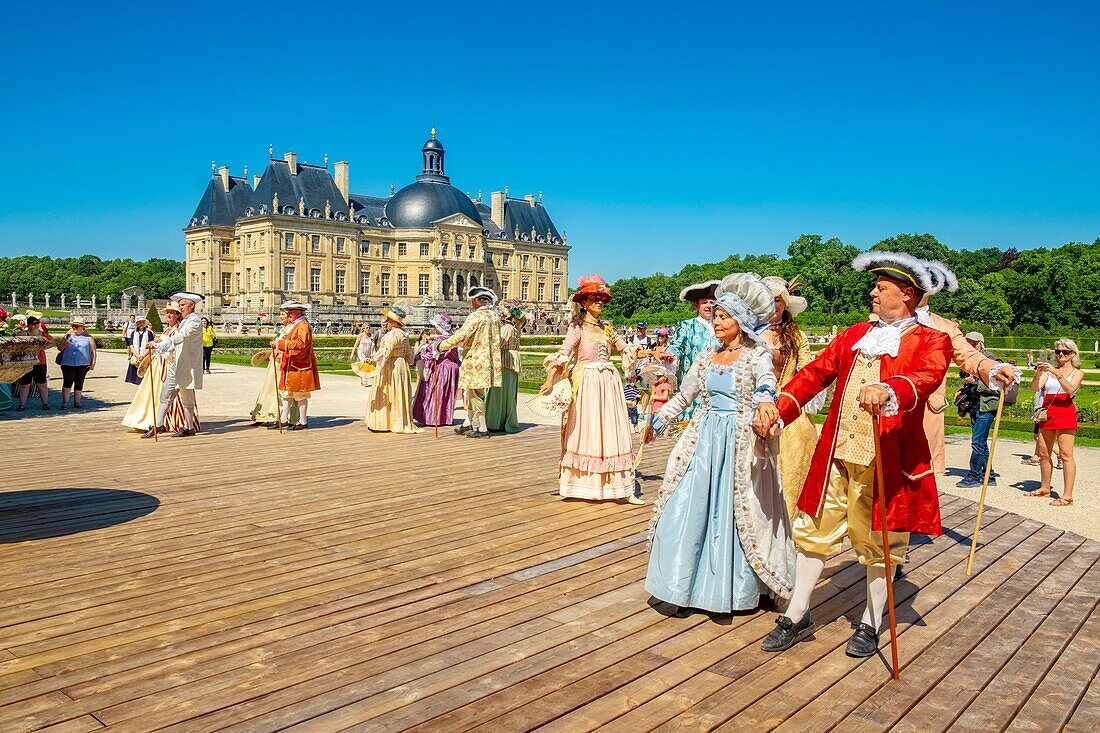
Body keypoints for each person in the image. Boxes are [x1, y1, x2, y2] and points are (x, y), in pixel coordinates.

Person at [758, 252, 952, 658]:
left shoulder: (932, 340)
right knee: (812, 534)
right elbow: (814, 374)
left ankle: (870, 621)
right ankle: (798, 614)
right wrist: (779, 407)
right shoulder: (853, 334)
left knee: (880, 542)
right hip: (836, 456)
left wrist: (892, 388)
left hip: (887, 461)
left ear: (909, 294)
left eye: (881, 288)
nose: (873, 292)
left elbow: (927, 375)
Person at [645, 272, 793, 616]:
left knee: (737, 510)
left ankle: (732, 590)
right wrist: (661, 419)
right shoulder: (708, 356)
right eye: (716, 317)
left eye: (723, 317)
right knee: (686, 506)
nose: (716, 323)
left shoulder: (756, 355)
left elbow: (766, 384)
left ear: (741, 322)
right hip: (705, 439)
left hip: (740, 442)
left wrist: (764, 400)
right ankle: (681, 586)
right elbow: (686, 395)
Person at [540, 274, 641, 503]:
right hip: (587, 383)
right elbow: (564, 353)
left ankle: (620, 487)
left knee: (612, 430)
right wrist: (550, 380)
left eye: (602, 299)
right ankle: (583, 486)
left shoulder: (608, 329)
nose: (599, 302)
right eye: (594, 298)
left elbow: (627, 350)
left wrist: (653, 354)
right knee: (588, 431)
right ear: (584, 302)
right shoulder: (577, 326)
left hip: (608, 385)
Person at [916, 261, 1019, 474]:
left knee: (922, 473)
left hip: (925, 408)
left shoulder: (944, 327)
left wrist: (992, 368)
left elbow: (969, 355)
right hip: (887, 409)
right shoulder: (881, 322)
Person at [761, 275, 818, 521]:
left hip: (789, 401)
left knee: (798, 446)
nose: (773, 306)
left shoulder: (797, 336)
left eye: (777, 301)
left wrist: (790, 399)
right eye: (768, 300)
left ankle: (789, 520)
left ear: (786, 303)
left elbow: (806, 371)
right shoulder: (749, 332)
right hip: (755, 405)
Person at [1024, 339, 1084, 506]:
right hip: (1048, 411)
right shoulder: (1049, 371)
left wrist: (1057, 374)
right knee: (1044, 453)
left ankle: (1067, 495)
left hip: (1065, 410)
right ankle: (1044, 487)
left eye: (1065, 352)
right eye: (1058, 352)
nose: (1061, 355)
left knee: (1066, 455)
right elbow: (1035, 388)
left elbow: (1071, 389)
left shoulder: (1077, 372)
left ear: (1073, 354)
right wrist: (1038, 373)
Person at [438, 286, 503, 439]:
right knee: (472, 392)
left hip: (475, 360)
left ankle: (482, 428)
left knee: (474, 393)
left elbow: (461, 336)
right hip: (489, 360)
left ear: (475, 301)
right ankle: (467, 422)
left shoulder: (475, 317)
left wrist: (441, 346)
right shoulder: (494, 317)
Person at [145, 291, 204, 438]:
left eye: (182, 305)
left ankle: (189, 427)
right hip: (177, 365)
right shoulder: (185, 321)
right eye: (180, 305)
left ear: (192, 305)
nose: (180, 307)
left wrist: (162, 345)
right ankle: (159, 425)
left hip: (187, 366)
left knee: (187, 399)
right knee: (165, 395)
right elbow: (177, 339)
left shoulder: (195, 321)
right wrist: (160, 345)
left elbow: (181, 336)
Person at [123, 303, 187, 432]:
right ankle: (152, 420)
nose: (168, 315)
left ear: (178, 315)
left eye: (172, 313)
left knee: (164, 394)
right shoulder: (167, 329)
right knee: (151, 393)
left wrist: (158, 345)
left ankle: (163, 421)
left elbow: (176, 347)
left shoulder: (178, 330)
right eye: (167, 313)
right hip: (158, 363)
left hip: (167, 364)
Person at [364, 302, 422, 433]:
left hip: (391, 366)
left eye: (389, 320)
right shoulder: (404, 335)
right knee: (397, 392)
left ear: (395, 322)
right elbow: (409, 355)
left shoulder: (393, 335)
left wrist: (373, 359)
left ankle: (384, 423)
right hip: (400, 365)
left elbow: (386, 350)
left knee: (388, 390)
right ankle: (396, 420)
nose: (387, 322)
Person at [954, 332, 1003, 488]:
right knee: (981, 443)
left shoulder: (992, 360)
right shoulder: (970, 361)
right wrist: (964, 389)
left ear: (981, 343)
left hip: (987, 405)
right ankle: (989, 475)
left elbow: (999, 387)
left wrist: (974, 382)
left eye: (974, 343)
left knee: (977, 442)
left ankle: (974, 476)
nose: (971, 346)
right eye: (968, 343)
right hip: (975, 404)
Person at [666, 280, 720, 419]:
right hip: (693, 386)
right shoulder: (687, 325)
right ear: (697, 305)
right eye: (704, 302)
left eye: (712, 302)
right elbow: (676, 346)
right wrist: (669, 355)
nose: (709, 306)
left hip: (717, 385)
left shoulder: (723, 326)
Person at [271, 302, 320, 431]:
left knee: (300, 394)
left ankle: (303, 420)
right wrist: (279, 346)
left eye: (290, 312)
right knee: (287, 393)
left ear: (298, 312)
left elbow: (301, 344)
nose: (288, 315)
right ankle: (283, 419)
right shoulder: (296, 324)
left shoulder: (303, 325)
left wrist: (281, 344)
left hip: (299, 365)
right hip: (291, 365)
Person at [412, 313, 461, 427]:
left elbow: (430, 356)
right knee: (446, 394)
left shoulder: (439, 340)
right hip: (452, 369)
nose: (434, 328)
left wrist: (419, 357)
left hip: (441, 369)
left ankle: (433, 418)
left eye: (436, 326)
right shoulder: (452, 339)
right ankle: (445, 418)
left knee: (435, 392)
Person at [484, 301, 525, 433]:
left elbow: (497, 343)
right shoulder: (515, 328)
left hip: (504, 360)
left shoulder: (507, 328)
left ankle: (494, 422)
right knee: (508, 393)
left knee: (497, 392)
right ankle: (506, 420)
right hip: (511, 361)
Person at [15, 313, 53, 411]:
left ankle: (45, 404)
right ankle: (22, 405)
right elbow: (15, 340)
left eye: (37, 323)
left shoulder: (42, 334)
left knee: (42, 384)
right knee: (24, 384)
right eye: (33, 324)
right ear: (29, 325)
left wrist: (44, 347)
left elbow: (52, 342)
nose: (36, 325)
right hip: (27, 362)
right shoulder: (23, 334)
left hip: (40, 362)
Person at [57, 317, 97, 409]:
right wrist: (64, 345)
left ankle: (77, 402)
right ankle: (65, 402)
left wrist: (93, 364)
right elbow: (59, 348)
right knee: (67, 382)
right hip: (68, 363)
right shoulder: (68, 336)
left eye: (76, 326)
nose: (74, 328)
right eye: (73, 326)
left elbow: (93, 352)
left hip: (83, 364)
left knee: (79, 383)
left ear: (82, 327)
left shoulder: (89, 338)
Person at [124, 316, 154, 385]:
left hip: (145, 354)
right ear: (137, 323)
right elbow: (131, 345)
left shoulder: (149, 333)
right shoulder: (133, 333)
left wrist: (143, 355)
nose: (141, 324)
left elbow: (150, 346)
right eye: (139, 322)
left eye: (142, 322)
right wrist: (136, 355)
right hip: (136, 354)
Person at [351, 323, 376, 387]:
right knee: (364, 364)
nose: (368, 329)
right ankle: (364, 381)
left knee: (366, 365)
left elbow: (373, 345)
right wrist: (352, 353)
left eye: (369, 328)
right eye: (367, 328)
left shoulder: (370, 335)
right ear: (363, 328)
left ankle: (363, 380)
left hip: (368, 352)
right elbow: (356, 344)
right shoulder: (361, 335)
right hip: (361, 352)